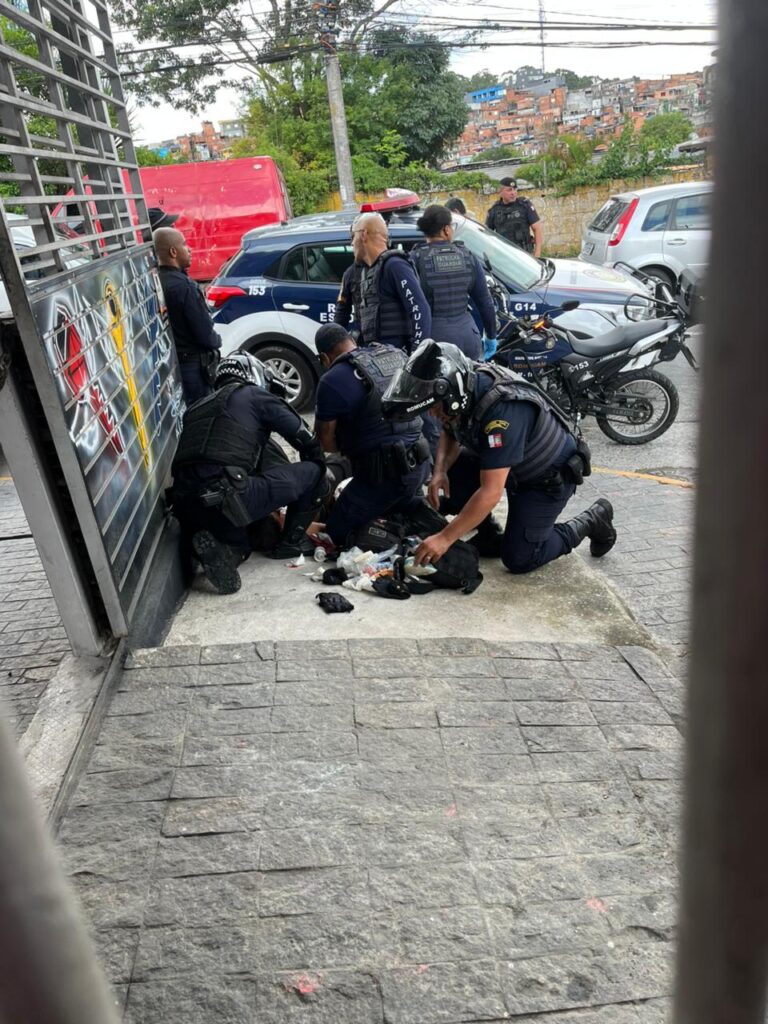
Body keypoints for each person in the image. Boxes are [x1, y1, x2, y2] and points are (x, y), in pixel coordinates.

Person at [382, 340, 617, 574]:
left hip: (546, 479)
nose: (433, 414)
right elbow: (450, 429)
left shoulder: (502, 413)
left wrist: (444, 538)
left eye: (435, 408)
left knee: (520, 558)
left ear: (451, 395)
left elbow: (491, 492)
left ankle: (592, 519)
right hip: (512, 466)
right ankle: (489, 534)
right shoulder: (464, 385)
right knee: (455, 468)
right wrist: (440, 471)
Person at [171, 353, 328, 594]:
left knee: (241, 543)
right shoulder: (253, 395)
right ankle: (290, 543)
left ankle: (227, 554)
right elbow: (305, 439)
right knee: (316, 472)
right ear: (255, 376)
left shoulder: (196, 409)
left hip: (185, 505)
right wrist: (310, 487)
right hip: (228, 495)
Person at [313, 324, 430, 548]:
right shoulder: (395, 354)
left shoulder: (332, 379)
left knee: (337, 532)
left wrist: (352, 440)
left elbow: (326, 443)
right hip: (421, 462)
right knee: (391, 506)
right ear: (352, 341)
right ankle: (415, 513)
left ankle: (404, 535)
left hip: (382, 475)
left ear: (324, 358)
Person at [410, 204, 497, 361]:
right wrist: (491, 336)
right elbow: (485, 302)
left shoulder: (415, 259)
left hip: (434, 342)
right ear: (446, 229)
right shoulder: (467, 256)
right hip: (468, 338)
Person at [154, 226, 221, 404]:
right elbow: (205, 334)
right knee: (202, 412)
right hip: (194, 369)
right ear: (173, 252)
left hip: (172, 365)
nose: (189, 249)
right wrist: (217, 341)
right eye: (184, 244)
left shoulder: (157, 282)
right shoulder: (185, 287)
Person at [350, 212, 432, 352]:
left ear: (363, 234)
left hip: (398, 357)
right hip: (378, 357)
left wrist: (416, 354)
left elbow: (420, 309)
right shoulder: (368, 271)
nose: (352, 243)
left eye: (354, 236)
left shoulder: (394, 265)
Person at [485, 178, 542, 257]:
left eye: (515, 189)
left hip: (525, 254)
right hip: (505, 256)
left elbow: (537, 228)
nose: (513, 193)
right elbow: (488, 234)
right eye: (509, 190)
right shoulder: (494, 210)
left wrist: (537, 254)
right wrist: (491, 255)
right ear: (500, 192)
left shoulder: (524, 205)